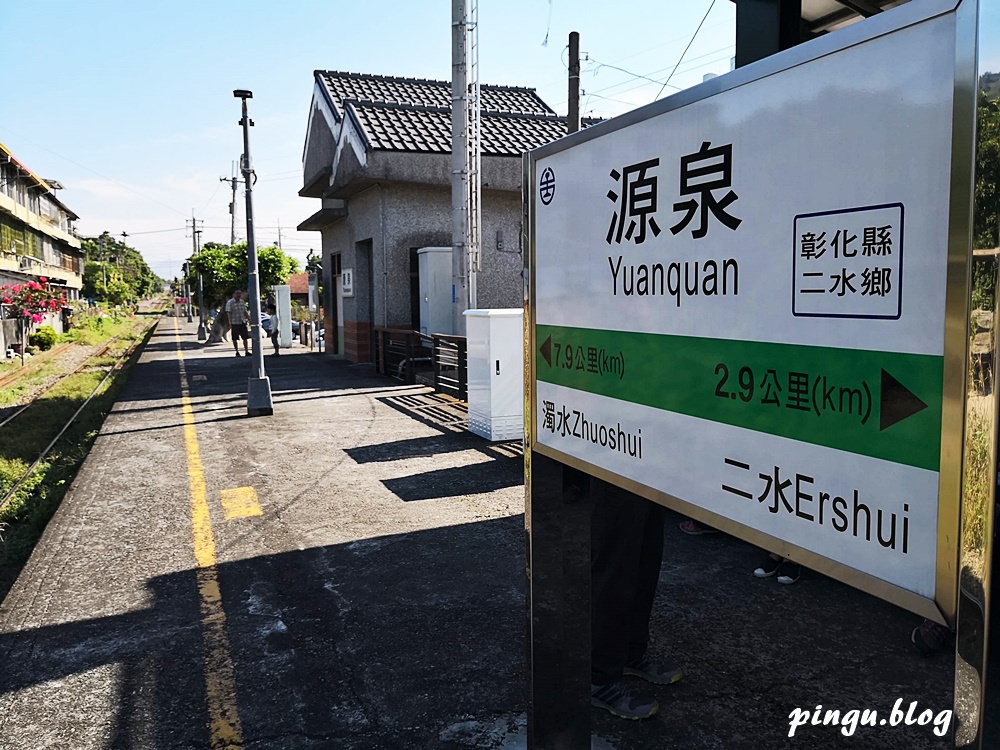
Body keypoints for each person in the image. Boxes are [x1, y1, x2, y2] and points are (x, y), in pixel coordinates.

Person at [591, 483, 683, 720]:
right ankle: (598, 677)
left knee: (647, 555)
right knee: (614, 569)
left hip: (644, 465)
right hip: (606, 462)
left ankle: (630, 652)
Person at [225, 289, 250, 357]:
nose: (239, 295)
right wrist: (230, 323)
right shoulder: (230, 302)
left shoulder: (242, 301)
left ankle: (246, 351)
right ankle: (237, 351)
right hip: (234, 322)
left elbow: (245, 311)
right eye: (237, 293)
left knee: (245, 337)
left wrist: (249, 319)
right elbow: (229, 313)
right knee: (235, 338)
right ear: (234, 294)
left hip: (242, 322)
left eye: (240, 293)